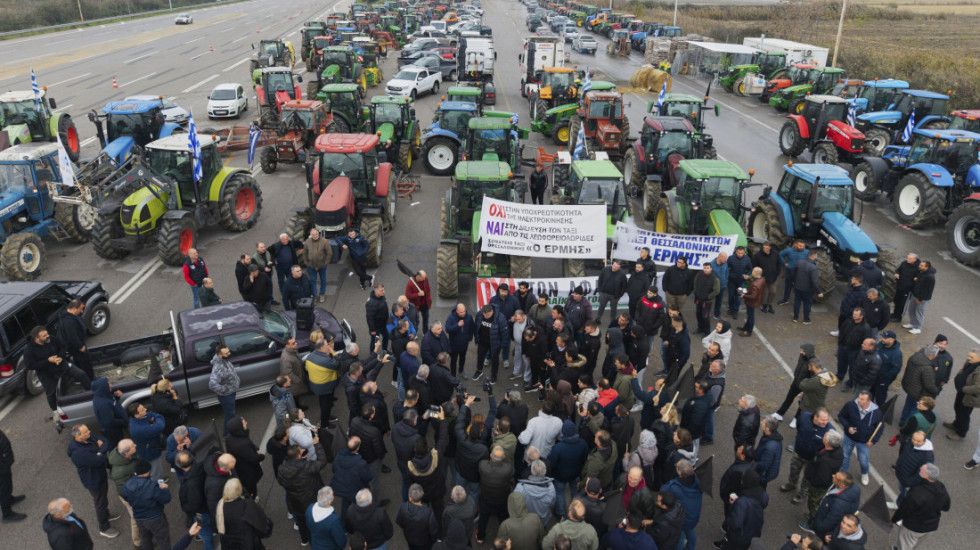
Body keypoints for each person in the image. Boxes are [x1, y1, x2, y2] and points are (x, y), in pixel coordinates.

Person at [23, 326, 91, 420]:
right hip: (47, 373)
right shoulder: (29, 350)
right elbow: (30, 365)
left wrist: (60, 357)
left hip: (62, 365)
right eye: (44, 335)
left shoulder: (51, 338)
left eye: (47, 333)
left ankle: (91, 392)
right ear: (36, 338)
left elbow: (62, 346)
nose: (48, 336)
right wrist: (48, 360)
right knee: (51, 393)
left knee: (81, 374)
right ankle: (55, 411)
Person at [279, 438, 328, 544]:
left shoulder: (282, 469)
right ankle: (314, 541)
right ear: (298, 456)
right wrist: (317, 444)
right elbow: (322, 461)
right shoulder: (306, 467)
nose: (302, 450)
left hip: (295, 501)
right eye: (300, 450)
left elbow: (281, 482)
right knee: (314, 521)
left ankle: (304, 539)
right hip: (310, 499)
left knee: (301, 522)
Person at [779, 408, 835, 502]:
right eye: (823, 419)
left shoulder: (830, 431)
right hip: (798, 453)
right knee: (793, 470)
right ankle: (791, 484)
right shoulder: (804, 417)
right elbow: (799, 427)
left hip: (812, 460)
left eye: (827, 419)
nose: (826, 422)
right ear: (815, 417)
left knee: (807, 479)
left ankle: (803, 494)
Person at [891, 463, 950, 549]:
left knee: (904, 545)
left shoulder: (916, 492)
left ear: (926, 475)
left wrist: (894, 519)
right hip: (931, 527)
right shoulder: (940, 487)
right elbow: (946, 507)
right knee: (915, 545)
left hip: (913, 527)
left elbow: (904, 509)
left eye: (921, 470)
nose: (920, 469)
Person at [121, 459, 172, 550]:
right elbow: (166, 499)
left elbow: (125, 497)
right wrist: (164, 489)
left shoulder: (127, 485)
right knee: (163, 540)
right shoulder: (152, 486)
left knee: (145, 539)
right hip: (155, 518)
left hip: (139, 517)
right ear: (146, 472)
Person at [838, 392, 882, 487]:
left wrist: (873, 441)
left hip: (864, 442)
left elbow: (879, 428)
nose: (859, 400)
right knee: (845, 455)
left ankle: (865, 473)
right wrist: (848, 426)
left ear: (868, 401)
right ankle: (843, 473)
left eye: (862, 399)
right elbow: (841, 416)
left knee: (863, 460)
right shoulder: (850, 405)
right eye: (859, 397)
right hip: (849, 437)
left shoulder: (877, 413)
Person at [800, 431, 845, 524]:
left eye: (825, 436)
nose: (823, 435)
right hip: (820, 483)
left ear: (827, 442)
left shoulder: (826, 461)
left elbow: (821, 478)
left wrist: (812, 482)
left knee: (814, 503)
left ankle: (813, 523)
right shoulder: (836, 451)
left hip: (817, 487)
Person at [215, 478, 273, 549]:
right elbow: (262, 525)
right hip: (248, 544)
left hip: (229, 544)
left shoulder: (220, 505)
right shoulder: (247, 504)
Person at [175, 450, 215, 550]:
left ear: (180, 467)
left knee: (206, 536)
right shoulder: (202, 467)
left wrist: (185, 508)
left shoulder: (191, 483)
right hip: (209, 505)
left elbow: (194, 503)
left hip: (201, 513)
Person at [716, 470, 766, 550]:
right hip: (755, 532)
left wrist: (732, 505)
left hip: (740, 538)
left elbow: (735, 523)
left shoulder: (742, 502)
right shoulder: (762, 494)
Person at [806, 471, 860, 541]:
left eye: (836, 478)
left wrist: (817, 526)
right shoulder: (853, 488)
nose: (833, 476)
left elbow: (828, 523)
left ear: (842, 485)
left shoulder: (838, 505)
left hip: (822, 529)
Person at [477, 446, 515, 543]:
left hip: (486, 499)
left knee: (483, 519)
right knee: (503, 520)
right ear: (503, 457)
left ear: (490, 455)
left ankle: (480, 537)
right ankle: (504, 540)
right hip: (502, 500)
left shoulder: (483, 465)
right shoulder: (508, 469)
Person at [332, 437, 375, 520]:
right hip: (356, 489)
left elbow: (334, 469)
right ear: (358, 448)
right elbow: (369, 476)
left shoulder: (339, 456)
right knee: (361, 506)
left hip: (343, 487)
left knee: (345, 505)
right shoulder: (360, 463)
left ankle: (345, 525)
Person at [663, 459, 702, 550]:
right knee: (690, 532)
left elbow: (663, 490)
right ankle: (691, 547)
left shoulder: (674, 487)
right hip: (693, 517)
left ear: (679, 473)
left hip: (682, 520)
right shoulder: (698, 481)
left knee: (679, 538)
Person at [898, 345, 940, 426]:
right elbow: (929, 385)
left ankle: (902, 420)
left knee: (908, 405)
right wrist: (935, 390)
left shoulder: (915, 358)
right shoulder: (927, 368)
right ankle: (907, 425)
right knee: (914, 409)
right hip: (919, 392)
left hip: (909, 387)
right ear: (934, 355)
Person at [225, 417, 265, 499]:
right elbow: (253, 458)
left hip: (240, 468)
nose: (246, 423)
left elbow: (248, 441)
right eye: (243, 423)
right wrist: (261, 456)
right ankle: (252, 498)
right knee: (251, 487)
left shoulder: (231, 437)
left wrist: (255, 448)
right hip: (247, 471)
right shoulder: (241, 445)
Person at [945, 349, 980, 440]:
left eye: (972, 357)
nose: (969, 358)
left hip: (969, 396)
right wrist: (959, 376)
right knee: (957, 407)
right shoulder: (970, 362)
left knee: (963, 414)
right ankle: (956, 424)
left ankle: (961, 433)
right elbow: (964, 369)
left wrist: (963, 389)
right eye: (969, 356)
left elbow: (978, 388)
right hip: (962, 392)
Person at [306, 335, 341, 427]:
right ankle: (325, 423)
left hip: (316, 385)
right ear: (321, 348)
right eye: (327, 345)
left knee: (323, 403)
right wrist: (333, 351)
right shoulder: (325, 360)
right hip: (325, 387)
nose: (329, 347)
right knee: (326, 405)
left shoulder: (311, 356)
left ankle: (327, 416)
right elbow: (338, 363)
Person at [776, 344, 817, 420]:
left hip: (804, 386)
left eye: (802, 350)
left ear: (807, 351)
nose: (801, 352)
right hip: (796, 382)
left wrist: (805, 390)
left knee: (802, 403)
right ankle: (780, 413)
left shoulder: (813, 363)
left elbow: (813, 377)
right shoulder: (802, 356)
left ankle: (796, 418)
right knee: (789, 398)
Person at [126, 402, 165, 482]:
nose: (146, 409)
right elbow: (160, 425)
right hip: (150, 453)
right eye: (142, 410)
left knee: (151, 469)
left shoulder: (137, 419)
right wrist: (156, 419)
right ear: (136, 415)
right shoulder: (139, 429)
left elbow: (153, 416)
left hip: (146, 450)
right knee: (155, 471)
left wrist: (154, 418)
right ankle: (157, 486)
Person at [894, 431, 934, 506]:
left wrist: (908, 482)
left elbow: (921, 474)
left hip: (909, 483)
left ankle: (902, 511)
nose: (915, 442)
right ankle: (898, 504)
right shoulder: (909, 442)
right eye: (914, 439)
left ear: (924, 441)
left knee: (907, 498)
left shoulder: (927, 456)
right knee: (902, 492)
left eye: (918, 441)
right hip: (903, 477)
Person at [836, 308, 872, 388]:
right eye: (853, 314)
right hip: (843, 347)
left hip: (854, 351)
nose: (853, 316)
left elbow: (866, 341)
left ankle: (850, 383)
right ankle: (839, 376)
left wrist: (860, 353)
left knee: (853, 368)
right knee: (841, 363)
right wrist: (840, 343)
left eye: (856, 315)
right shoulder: (848, 321)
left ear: (861, 316)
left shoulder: (866, 328)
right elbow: (842, 331)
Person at [396, 484, 440, 550]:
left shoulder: (402, 507)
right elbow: (433, 532)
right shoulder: (429, 514)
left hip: (410, 539)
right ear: (422, 493)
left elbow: (399, 521)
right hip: (424, 543)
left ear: (410, 498)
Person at [208, 345, 240, 435]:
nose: (229, 353)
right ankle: (226, 434)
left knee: (231, 413)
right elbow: (212, 384)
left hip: (231, 392)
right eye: (227, 353)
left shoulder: (224, 360)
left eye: (228, 351)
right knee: (230, 415)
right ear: (220, 355)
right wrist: (225, 389)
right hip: (226, 396)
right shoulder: (218, 367)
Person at [58, 299, 93, 379]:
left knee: (78, 361)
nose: (81, 311)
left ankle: (79, 378)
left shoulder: (70, 316)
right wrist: (80, 346)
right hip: (76, 347)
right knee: (85, 362)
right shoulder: (69, 322)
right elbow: (72, 337)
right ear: (74, 309)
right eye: (80, 309)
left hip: (74, 346)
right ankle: (90, 378)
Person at [515, 459, 555, 525]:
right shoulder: (550, 489)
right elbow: (552, 504)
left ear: (531, 471)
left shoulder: (520, 488)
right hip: (542, 520)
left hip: (525, 519)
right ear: (544, 471)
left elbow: (516, 504)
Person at [475, 304, 508, 383]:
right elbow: (476, 326)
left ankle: (494, 375)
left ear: (492, 311)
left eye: (488, 315)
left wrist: (502, 344)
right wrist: (476, 337)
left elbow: (505, 332)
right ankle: (479, 371)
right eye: (484, 315)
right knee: (480, 356)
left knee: (495, 359)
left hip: (495, 343)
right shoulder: (479, 314)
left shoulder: (500, 318)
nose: (486, 317)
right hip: (483, 341)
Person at [719, 445, 756, 517]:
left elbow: (731, 489)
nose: (738, 448)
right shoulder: (751, 464)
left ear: (743, 457)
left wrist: (725, 497)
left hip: (732, 498)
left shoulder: (738, 472)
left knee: (730, 513)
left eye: (740, 450)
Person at [92, 378, 127, 448]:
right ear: (103, 387)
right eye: (108, 384)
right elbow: (109, 421)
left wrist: (116, 398)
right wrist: (123, 421)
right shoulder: (103, 404)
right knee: (117, 446)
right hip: (113, 432)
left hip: (114, 430)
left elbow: (111, 404)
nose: (111, 385)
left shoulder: (103, 396)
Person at [0, 427, 25, 523]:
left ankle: (9, 499)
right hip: (2, 466)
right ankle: (7, 514)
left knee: (7, 483)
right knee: (3, 488)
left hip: (4, 461)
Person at [792, 249, 824, 323]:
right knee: (807, 304)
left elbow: (794, 273)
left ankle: (795, 317)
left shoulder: (799, 262)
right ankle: (806, 319)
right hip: (807, 289)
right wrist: (819, 292)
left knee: (797, 302)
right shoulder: (814, 267)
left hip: (797, 287)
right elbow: (814, 281)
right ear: (814, 256)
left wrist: (793, 282)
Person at [905, 260, 935, 334]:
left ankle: (918, 327)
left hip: (922, 298)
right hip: (915, 294)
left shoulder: (930, 277)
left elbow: (927, 290)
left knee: (919, 312)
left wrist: (920, 299)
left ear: (926, 267)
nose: (919, 266)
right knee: (911, 310)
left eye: (921, 265)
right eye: (920, 265)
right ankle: (912, 323)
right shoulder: (921, 272)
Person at [304, 228, 333, 303]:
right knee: (313, 280)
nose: (315, 236)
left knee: (323, 280)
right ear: (310, 235)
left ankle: (322, 294)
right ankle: (315, 295)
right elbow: (305, 253)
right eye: (313, 234)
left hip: (322, 265)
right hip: (311, 266)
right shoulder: (307, 242)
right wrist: (306, 263)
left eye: (316, 234)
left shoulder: (324, 241)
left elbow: (329, 253)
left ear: (318, 234)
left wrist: (325, 263)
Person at [752, 241, 781, 313]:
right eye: (764, 247)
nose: (765, 249)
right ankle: (763, 304)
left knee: (773, 292)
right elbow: (754, 266)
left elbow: (779, 264)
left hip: (772, 277)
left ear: (770, 248)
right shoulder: (757, 255)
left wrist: (777, 274)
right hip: (762, 278)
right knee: (763, 293)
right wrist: (757, 276)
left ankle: (769, 304)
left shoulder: (775, 254)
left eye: (767, 248)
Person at [875, 331, 903, 404]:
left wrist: (884, 376)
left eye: (885, 338)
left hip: (883, 379)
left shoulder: (896, 353)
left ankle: (880, 409)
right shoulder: (880, 345)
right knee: (871, 392)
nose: (883, 339)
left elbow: (896, 369)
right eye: (883, 337)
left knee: (880, 394)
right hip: (874, 375)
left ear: (892, 340)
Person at [755, 416, 783, 489]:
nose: (761, 422)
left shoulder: (769, 447)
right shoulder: (772, 436)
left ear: (767, 429)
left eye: (763, 422)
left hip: (763, 474)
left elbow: (764, 465)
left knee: (759, 488)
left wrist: (751, 465)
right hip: (766, 471)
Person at [693, 262, 720, 335]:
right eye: (704, 268)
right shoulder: (699, 275)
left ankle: (707, 332)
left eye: (707, 268)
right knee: (698, 314)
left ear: (711, 268)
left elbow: (716, 291)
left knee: (705, 317)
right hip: (698, 299)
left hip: (707, 302)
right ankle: (700, 328)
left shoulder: (715, 278)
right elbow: (695, 283)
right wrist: (696, 292)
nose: (706, 269)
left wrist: (708, 297)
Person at [778, 239, 808, 305]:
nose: (802, 247)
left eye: (803, 246)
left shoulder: (806, 252)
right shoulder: (789, 250)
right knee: (788, 287)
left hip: (800, 274)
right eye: (800, 246)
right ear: (795, 245)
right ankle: (785, 299)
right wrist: (785, 263)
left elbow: (810, 260)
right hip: (789, 272)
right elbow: (780, 254)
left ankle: (798, 301)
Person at [726, 246, 753, 320]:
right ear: (736, 251)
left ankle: (735, 311)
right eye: (738, 253)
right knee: (731, 296)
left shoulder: (747, 259)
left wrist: (747, 275)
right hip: (731, 281)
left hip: (741, 282)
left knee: (738, 297)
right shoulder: (731, 258)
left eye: (742, 253)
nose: (740, 254)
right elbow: (726, 267)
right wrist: (728, 275)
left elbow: (750, 269)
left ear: (744, 252)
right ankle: (731, 309)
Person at [891, 252, 919, 321]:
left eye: (910, 258)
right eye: (907, 258)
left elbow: (917, 278)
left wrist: (911, 283)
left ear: (914, 259)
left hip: (907, 289)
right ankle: (894, 314)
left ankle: (899, 317)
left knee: (902, 303)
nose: (907, 259)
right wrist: (897, 274)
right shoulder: (904, 263)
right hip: (900, 285)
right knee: (896, 300)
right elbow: (898, 269)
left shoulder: (917, 267)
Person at [738, 267, 766, 337]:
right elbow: (754, 281)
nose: (751, 272)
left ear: (755, 273)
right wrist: (749, 279)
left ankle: (748, 331)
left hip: (752, 302)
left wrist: (744, 295)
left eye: (752, 271)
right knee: (749, 315)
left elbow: (753, 296)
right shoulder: (762, 279)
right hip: (756, 301)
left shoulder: (755, 285)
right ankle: (745, 327)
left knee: (750, 317)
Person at [406, 271, 433, 335]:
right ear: (418, 277)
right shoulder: (410, 284)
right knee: (414, 321)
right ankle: (413, 333)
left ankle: (425, 332)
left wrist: (429, 298)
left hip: (425, 304)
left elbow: (428, 289)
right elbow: (408, 296)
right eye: (423, 278)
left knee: (426, 319)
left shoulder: (425, 279)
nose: (424, 279)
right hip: (416, 306)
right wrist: (417, 294)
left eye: (424, 278)